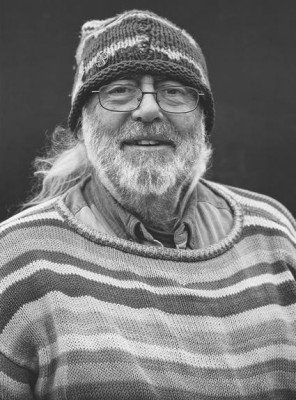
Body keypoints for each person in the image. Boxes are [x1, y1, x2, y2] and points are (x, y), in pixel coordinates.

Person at [0, 9, 295, 400]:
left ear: (203, 120)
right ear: (82, 122)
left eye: (174, 90)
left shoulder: (271, 233)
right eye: (120, 89)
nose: (149, 109)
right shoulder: (18, 259)